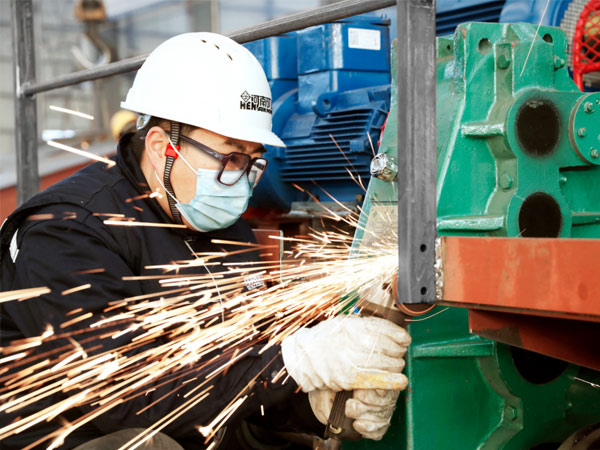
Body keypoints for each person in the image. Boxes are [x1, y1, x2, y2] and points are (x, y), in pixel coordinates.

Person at [0, 32, 410, 449]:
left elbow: (240, 377)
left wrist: (315, 409)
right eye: (229, 156)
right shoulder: (66, 231)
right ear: (163, 147)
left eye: (251, 161)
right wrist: (295, 363)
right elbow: (121, 394)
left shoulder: (223, 227)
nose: (240, 178)